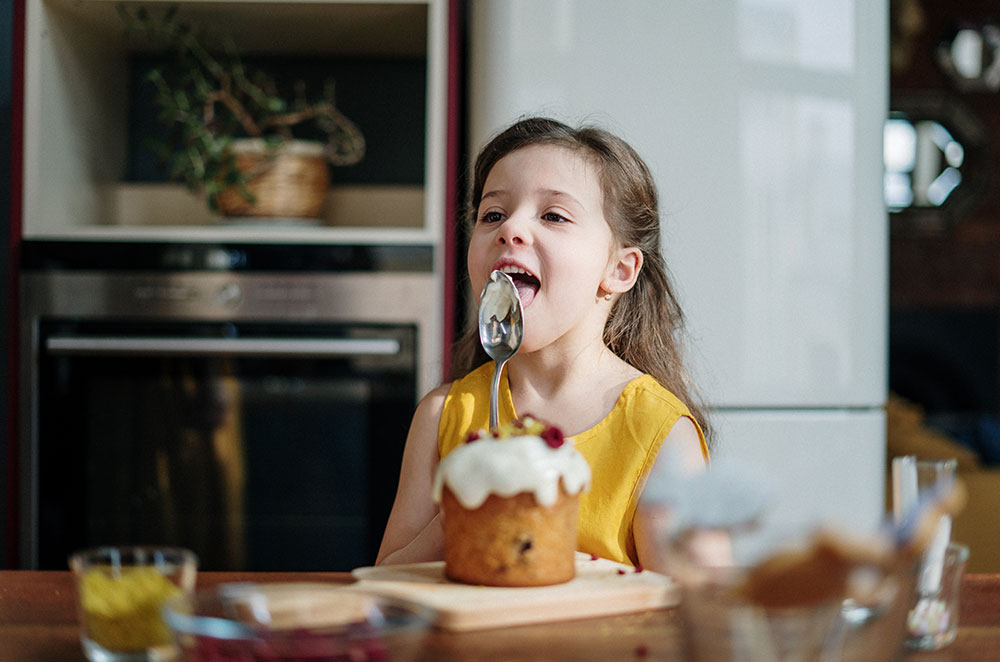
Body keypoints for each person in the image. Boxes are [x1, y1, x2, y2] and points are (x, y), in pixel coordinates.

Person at [376, 116, 711, 571]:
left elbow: (697, 607)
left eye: (553, 215)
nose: (509, 228)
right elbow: (385, 584)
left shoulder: (660, 433)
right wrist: (465, 514)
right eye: (492, 214)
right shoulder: (442, 417)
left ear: (619, 270)